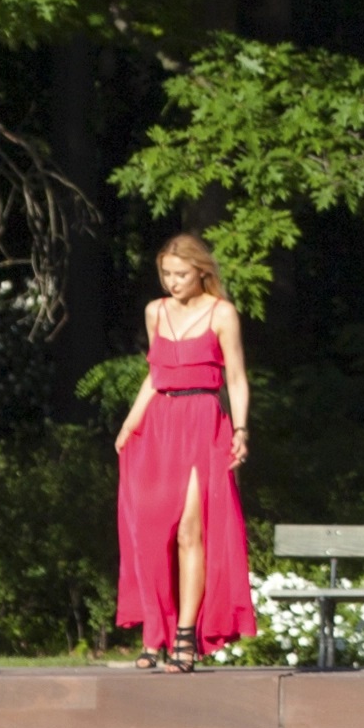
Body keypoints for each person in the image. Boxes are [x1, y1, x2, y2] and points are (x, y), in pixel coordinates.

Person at [112, 231, 257, 670]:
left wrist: (242, 428)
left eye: (180, 274)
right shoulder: (155, 311)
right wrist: (129, 422)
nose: (172, 282)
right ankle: (153, 633)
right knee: (151, 536)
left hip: (202, 423)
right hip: (157, 426)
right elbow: (154, 375)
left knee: (190, 531)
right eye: (166, 274)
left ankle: (185, 635)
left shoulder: (222, 313)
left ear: (201, 272)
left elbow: (236, 377)